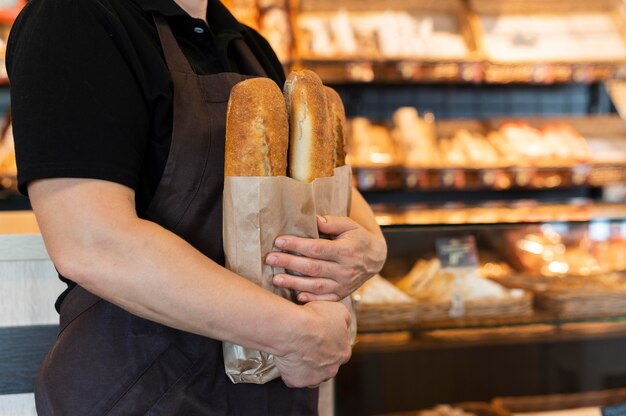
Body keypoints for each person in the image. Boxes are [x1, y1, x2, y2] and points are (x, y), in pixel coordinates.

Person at [7, 0, 387, 414]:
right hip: (141, 393)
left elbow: (327, 190)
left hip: (269, 386)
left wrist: (371, 249)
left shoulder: (247, 45)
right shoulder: (73, 20)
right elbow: (94, 244)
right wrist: (294, 334)